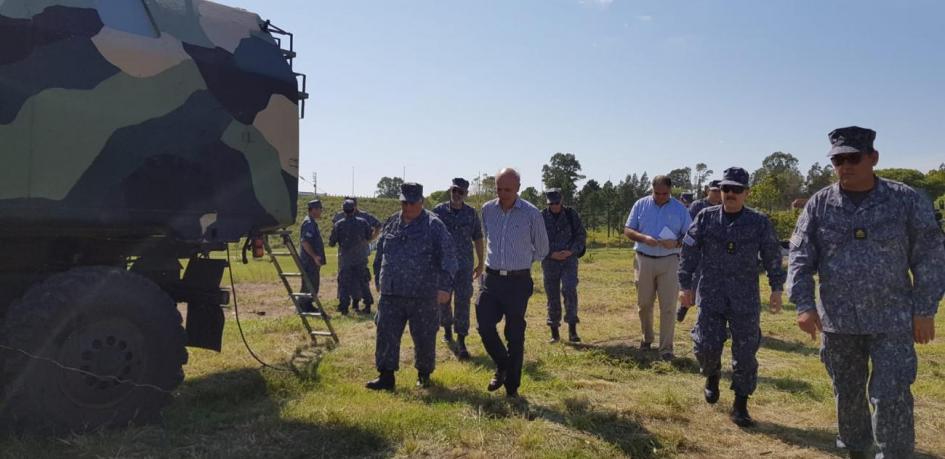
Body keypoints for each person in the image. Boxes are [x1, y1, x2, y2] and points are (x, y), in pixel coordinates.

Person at [789, 126, 945, 458]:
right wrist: (804, 304)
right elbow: (800, 256)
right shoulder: (819, 204)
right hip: (838, 322)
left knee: (892, 395)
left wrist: (925, 309)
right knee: (847, 395)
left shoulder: (904, 200)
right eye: (838, 159)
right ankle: (856, 450)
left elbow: (930, 256)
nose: (845, 165)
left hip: (894, 320)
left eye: (852, 158)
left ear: (873, 158)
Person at [678, 167, 785, 427]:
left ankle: (740, 404)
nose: (730, 194)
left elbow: (772, 255)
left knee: (746, 353)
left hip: (745, 298)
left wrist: (776, 288)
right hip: (711, 294)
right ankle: (712, 374)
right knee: (705, 346)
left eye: (737, 189)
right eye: (726, 189)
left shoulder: (759, 222)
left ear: (746, 193)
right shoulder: (705, 217)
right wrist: (684, 285)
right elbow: (689, 251)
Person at [366, 183, 457, 390]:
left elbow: (449, 257)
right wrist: (378, 277)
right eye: (404, 202)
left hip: (423, 294)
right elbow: (380, 252)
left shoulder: (434, 225)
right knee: (385, 334)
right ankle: (386, 377)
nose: (407, 206)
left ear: (421, 202)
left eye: (411, 203)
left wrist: (444, 287)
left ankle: (424, 375)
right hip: (392, 292)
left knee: (424, 337)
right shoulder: (391, 222)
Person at [477, 168, 549, 398]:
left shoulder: (531, 213)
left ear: (518, 188)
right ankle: (503, 365)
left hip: (518, 282)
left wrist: (522, 263)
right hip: (491, 278)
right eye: (498, 188)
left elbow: (543, 249)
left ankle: (512, 388)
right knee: (484, 325)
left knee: (514, 333)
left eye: (507, 189)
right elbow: (487, 236)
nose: (502, 193)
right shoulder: (487, 210)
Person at [623, 175, 693, 360]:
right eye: (657, 193)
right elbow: (628, 230)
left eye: (665, 193)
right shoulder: (640, 205)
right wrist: (644, 238)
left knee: (668, 307)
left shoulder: (680, 209)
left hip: (670, 261)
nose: (661, 197)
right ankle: (647, 338)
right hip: (644, 259)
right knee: (644, 304)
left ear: (671, 191)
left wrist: (677, 243)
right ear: (651, 189)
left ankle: (666, 349)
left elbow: (691, 235)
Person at [432, 177, 485, 360]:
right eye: (454, 190)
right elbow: (430, 236)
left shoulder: (471, 213)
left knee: (463, 301)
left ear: (466, 194)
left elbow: (478, 237)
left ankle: (461, 340)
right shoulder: (438, 211)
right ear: (450, 190)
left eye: (460, 192)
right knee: (443, 301)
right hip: (443, 266)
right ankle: (447, 329)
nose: (456, 194)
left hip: (464, 267)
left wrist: (480, 262)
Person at [540, 188, 587, 343]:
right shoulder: (541, 217)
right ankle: (554, 333)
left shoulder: (571, 215)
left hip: (569, 260)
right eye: (551, 203)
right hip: (550, 262)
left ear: (562, 200)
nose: (554, 206)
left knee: (569, 290)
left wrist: (571, 251)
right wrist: (550, 254)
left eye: (557, 202)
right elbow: (535, 240)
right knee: (552, 295)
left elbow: (581, 236)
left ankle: (573, 331)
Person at [678, 179, 723, 322]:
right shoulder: (698, 205)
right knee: (695, 281)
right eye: (714, 191)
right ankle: (685, 306)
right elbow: (690, 227)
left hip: (718, 254)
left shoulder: (725, 207)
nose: (717, 194)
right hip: (699, 251)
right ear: (707, 191)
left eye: (719, 191)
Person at [333, 196, 382, 311]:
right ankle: (357, 303)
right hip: (356, 255)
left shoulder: (362, 217)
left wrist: (368, 241)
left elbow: (378, 225)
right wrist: (368, 240)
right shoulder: (360, 219)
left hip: (349, 255)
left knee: (352, 279)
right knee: (357, 279)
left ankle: (349, 303)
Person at [299, 199, 325, 313]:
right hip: (309, 261)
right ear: (313, 210)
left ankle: (307, 305)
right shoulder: (309, 223)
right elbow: (305, 242)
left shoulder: (311, 222)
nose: (320, 211)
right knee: (309, 284)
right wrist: (314, 256)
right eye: (319, 209)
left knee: (312, 283)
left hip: (310, 261)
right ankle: (304, 306)